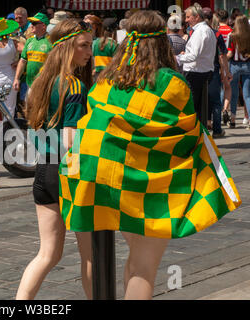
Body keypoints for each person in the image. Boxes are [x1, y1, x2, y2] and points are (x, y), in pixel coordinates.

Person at [59, 10, 241, 300]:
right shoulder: (171, 83)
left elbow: (95, 122)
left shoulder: (107, 79)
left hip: (100, 177)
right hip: (147, 184)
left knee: (131, 258)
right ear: (162, 42)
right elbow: (186, 133)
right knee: (144, 266)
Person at [16, 19, 94, 300]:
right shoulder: (73, 86)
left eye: (90, 45)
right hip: (68, 172)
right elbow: (71, 141)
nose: (89, 52)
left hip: (44, 171)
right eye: (83, 45)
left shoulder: (40, 82)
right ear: (67, 47)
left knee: (47, 253)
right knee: (90, 256)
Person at [177, 3, 216, 123]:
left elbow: (194, 55)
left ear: (197, 17)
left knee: (193, 108)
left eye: (188, 17)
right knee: (199, 108)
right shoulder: (206, 30)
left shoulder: (200, 32)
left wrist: (177, 58)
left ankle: (195, 135)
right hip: (202, 71)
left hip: (196, 73)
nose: (186, 20)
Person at [203, 7, 229, 138]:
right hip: (213, 69)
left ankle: (203, 128)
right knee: (216, 101)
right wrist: (226, 72)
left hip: (198, 71)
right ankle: (217, 130)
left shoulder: (192, 32)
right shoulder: (216, 34)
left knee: (202, 100)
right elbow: (222, 55)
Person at [13, 12, 52, 99]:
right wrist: (16, 78)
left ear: (43, 26)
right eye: (31, 23)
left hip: (45, 86)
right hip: (29, 84)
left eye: (34, 23)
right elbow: (23, 61)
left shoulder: (51, 41)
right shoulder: (29, 41)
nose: (31, 25)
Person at [227, 16, 250, 130]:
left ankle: (232, 120)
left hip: (234, 66)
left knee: (234, 94)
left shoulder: (232, 36)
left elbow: (230, 54)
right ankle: (249, 121)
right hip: (247, 66)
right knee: (247, 95)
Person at [217, 9, 233, 125]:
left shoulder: (215, 31)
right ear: (228, 19)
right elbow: (231, 51)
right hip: (227, 62)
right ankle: (225, 109)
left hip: (216, 62)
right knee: (227, 87)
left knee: (216, 88)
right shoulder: (231, 31)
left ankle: (216, 113)